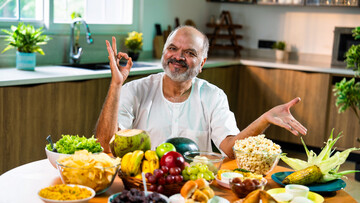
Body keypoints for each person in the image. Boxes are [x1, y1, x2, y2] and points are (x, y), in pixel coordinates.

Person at [95, 25, 307, 159]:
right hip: (143, 184)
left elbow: (231, 150)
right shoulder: (135, 90)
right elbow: (105, 145)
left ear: (202, 62)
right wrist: (116, 85)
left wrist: (265, 119)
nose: (177, 57)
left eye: (189, 53)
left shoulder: (213, 96)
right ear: (163, 52)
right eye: (172, 48)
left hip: (194, 189)